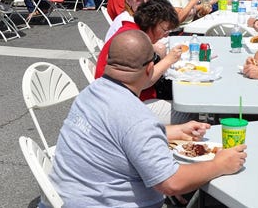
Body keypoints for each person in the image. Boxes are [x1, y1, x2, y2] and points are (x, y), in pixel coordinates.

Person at [45, 29, 246, 208]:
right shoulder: (135, 116)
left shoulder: (91, 92)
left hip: (66, 197)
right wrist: (220, 164)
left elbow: (115, 136)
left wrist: (173, 131)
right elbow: (171, 183)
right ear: (150, 69)